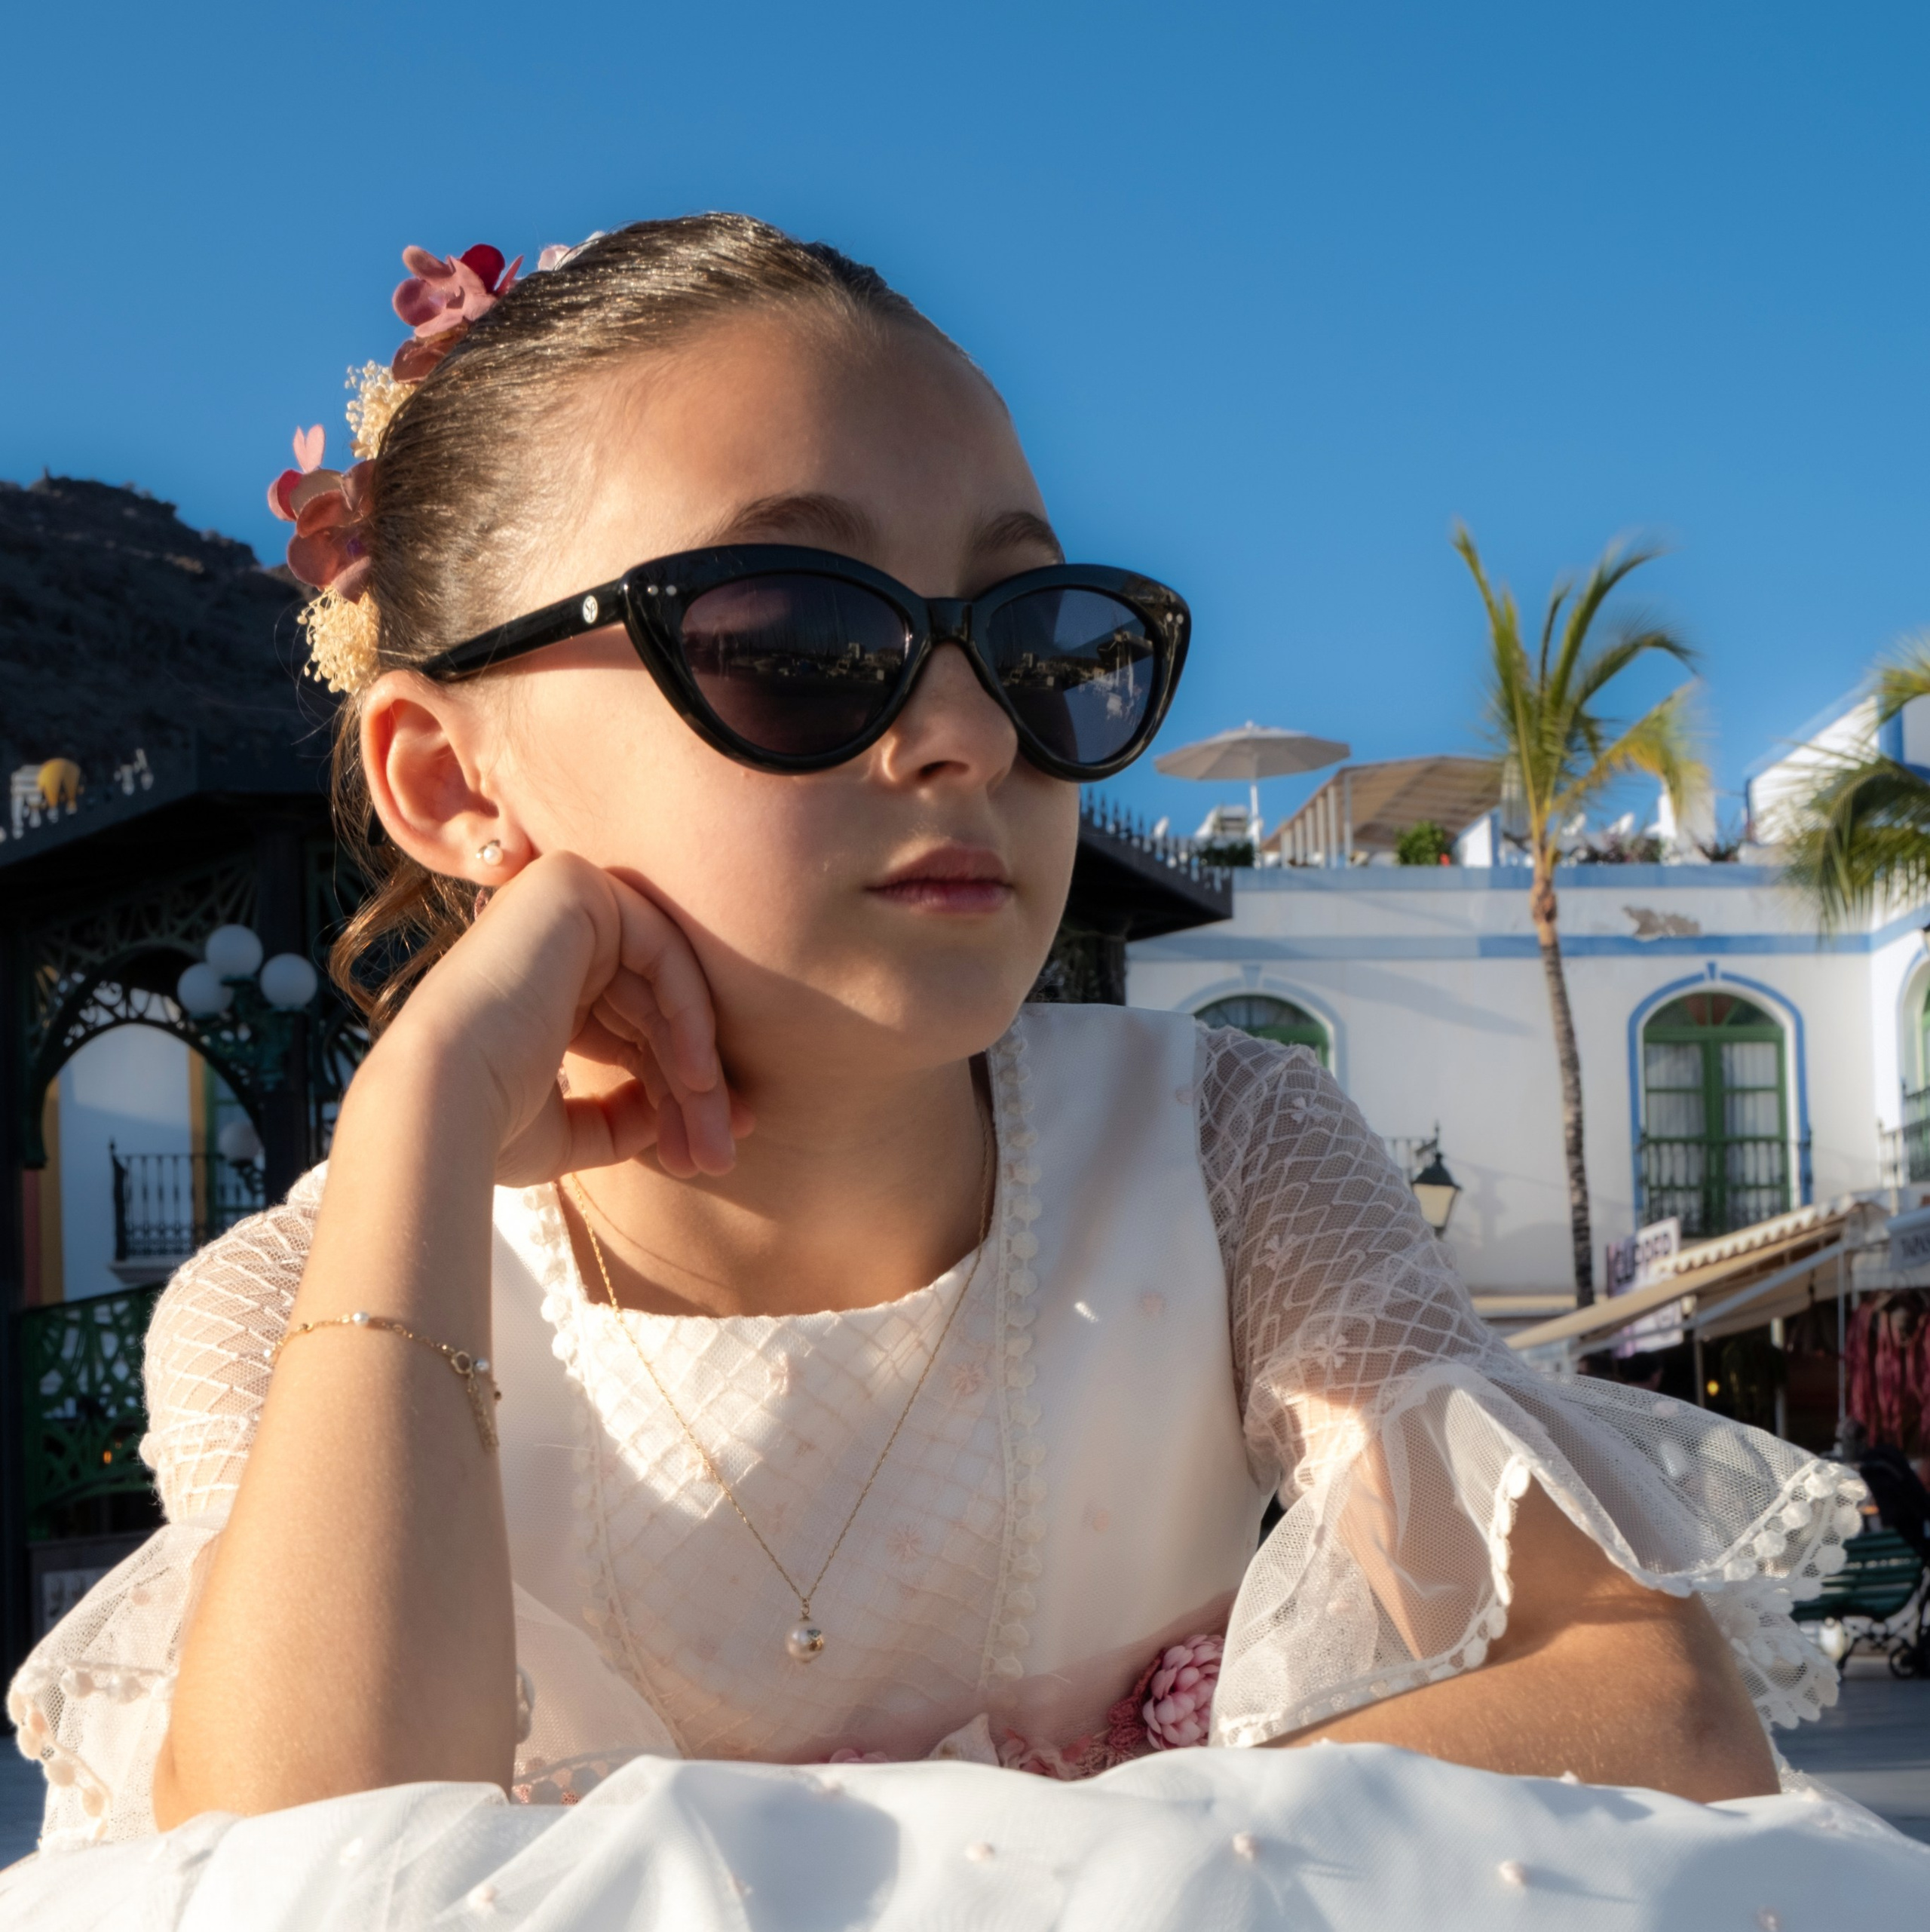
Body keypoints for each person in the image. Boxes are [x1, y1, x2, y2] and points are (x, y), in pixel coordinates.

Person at [2, 218, 1898, 1924]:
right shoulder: (300, 1299)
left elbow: (1641, 1708)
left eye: (1038, 638)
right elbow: (283, 1871)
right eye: (792, 637)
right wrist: (413, 1121)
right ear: (451, 781)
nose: (966, 726)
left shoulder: (1222, 1156)